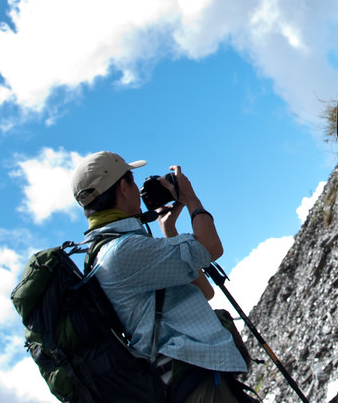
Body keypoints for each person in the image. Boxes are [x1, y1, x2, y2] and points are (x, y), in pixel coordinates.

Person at [72, 151, 254, 402]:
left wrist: (168, 229)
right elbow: (211, 247)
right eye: (133, 182)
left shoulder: (114, 250)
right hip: (192, 379)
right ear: (123, 188)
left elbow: (204, 291)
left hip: (192, 377)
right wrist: (190, 198)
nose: (137, 190)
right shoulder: (122, 252)